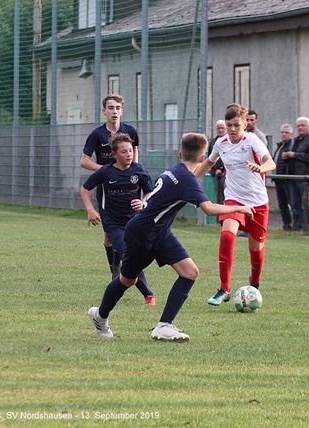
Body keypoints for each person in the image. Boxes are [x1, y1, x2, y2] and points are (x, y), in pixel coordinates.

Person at [87, 133, 256, 341]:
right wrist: (239, 207)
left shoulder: (175, 170)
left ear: (180, 153)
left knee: (190, 272)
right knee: (128, 279)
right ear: (202, 158)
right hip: (142, 233)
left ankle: (164, 325)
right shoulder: (186, 180)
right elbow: (209, 209)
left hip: (160, 232)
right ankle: (100, 315)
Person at [195, 103, 276, 306]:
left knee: (256, 250)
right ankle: (224, 289)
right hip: (234, 199)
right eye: (229, 125)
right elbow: (209, 162)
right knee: (227, 236)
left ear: (245, 124)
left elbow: (271, 162)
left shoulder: (252, 140)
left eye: (236, 125)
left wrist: (261, 168)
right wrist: (190, 178)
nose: (232, 129)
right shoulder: (221, 143)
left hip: (257, 203)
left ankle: (255, 283)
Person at [80, 133, 156, 306]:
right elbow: (84, 188)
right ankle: (148, 294)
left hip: (134, 222)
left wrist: (143, 202)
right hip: (113, 223)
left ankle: (116, 272)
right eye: (124, 151)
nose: (129, 154)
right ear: (114, 154)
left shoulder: (139, 170)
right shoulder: (106, 172)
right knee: (128, 254)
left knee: (135, 254)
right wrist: (90, 210)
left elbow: (150, 192)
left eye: (130, 151)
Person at [80, 94, 139, 280]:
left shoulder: (130, 131)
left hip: (129, 187)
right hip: (107, 189)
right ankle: (115, 268)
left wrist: (134, 168)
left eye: (117, 108)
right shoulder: (97, 134)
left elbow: (134, 150)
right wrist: (107, 171)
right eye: (111, 108)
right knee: (109, 233)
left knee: (131, 227)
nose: (114, 111)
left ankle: (123, 267)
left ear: (122, 111)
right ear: (104, 111)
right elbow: (84, 161)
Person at [283, 116, 309, 231]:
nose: (300, 128)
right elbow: (291, 155)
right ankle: (297, 226)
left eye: (302, 125)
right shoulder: (294, 141)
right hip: (292, 177)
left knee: (305, 204)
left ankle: (306, 227)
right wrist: (286, 156)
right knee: (295, 204)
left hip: (304, 178)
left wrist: (295, 155)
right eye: (298, 126)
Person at [272, 124, 295, 230]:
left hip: (287, 180)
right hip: (278, 179)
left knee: (292, 202)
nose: (284, 134)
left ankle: (296, 224)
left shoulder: (292, 146)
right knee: (282, 204)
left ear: (291, 134)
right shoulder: (280, 147)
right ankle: (287, 223)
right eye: (282, 132)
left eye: (286, 133)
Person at [208, 120, 227, 204]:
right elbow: (210, 158)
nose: (220, 130)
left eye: (222, 128)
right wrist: (214, 170)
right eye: (219, 128)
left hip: (226, 174)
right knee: (218, 197)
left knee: (227, 196)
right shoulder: (213, 142)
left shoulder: (229, 141)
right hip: (215, 174)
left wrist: (222, 169)